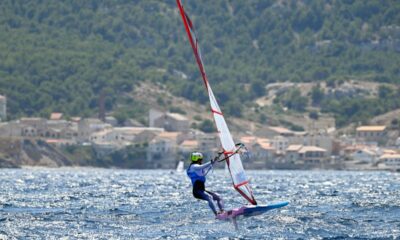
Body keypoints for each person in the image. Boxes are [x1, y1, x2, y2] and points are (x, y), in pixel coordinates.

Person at [186, 152, 224, 216]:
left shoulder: (197, 167)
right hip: (197, 191)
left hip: (202, 190)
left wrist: (215, 159)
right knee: (210, 197)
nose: (202, 160)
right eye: (201, 159)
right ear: (198, 159)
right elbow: (201, 167)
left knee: (218, 197)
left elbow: (204, 167)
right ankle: (217, 214)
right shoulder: (193, 167)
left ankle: (223, 212)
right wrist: (210, 162)